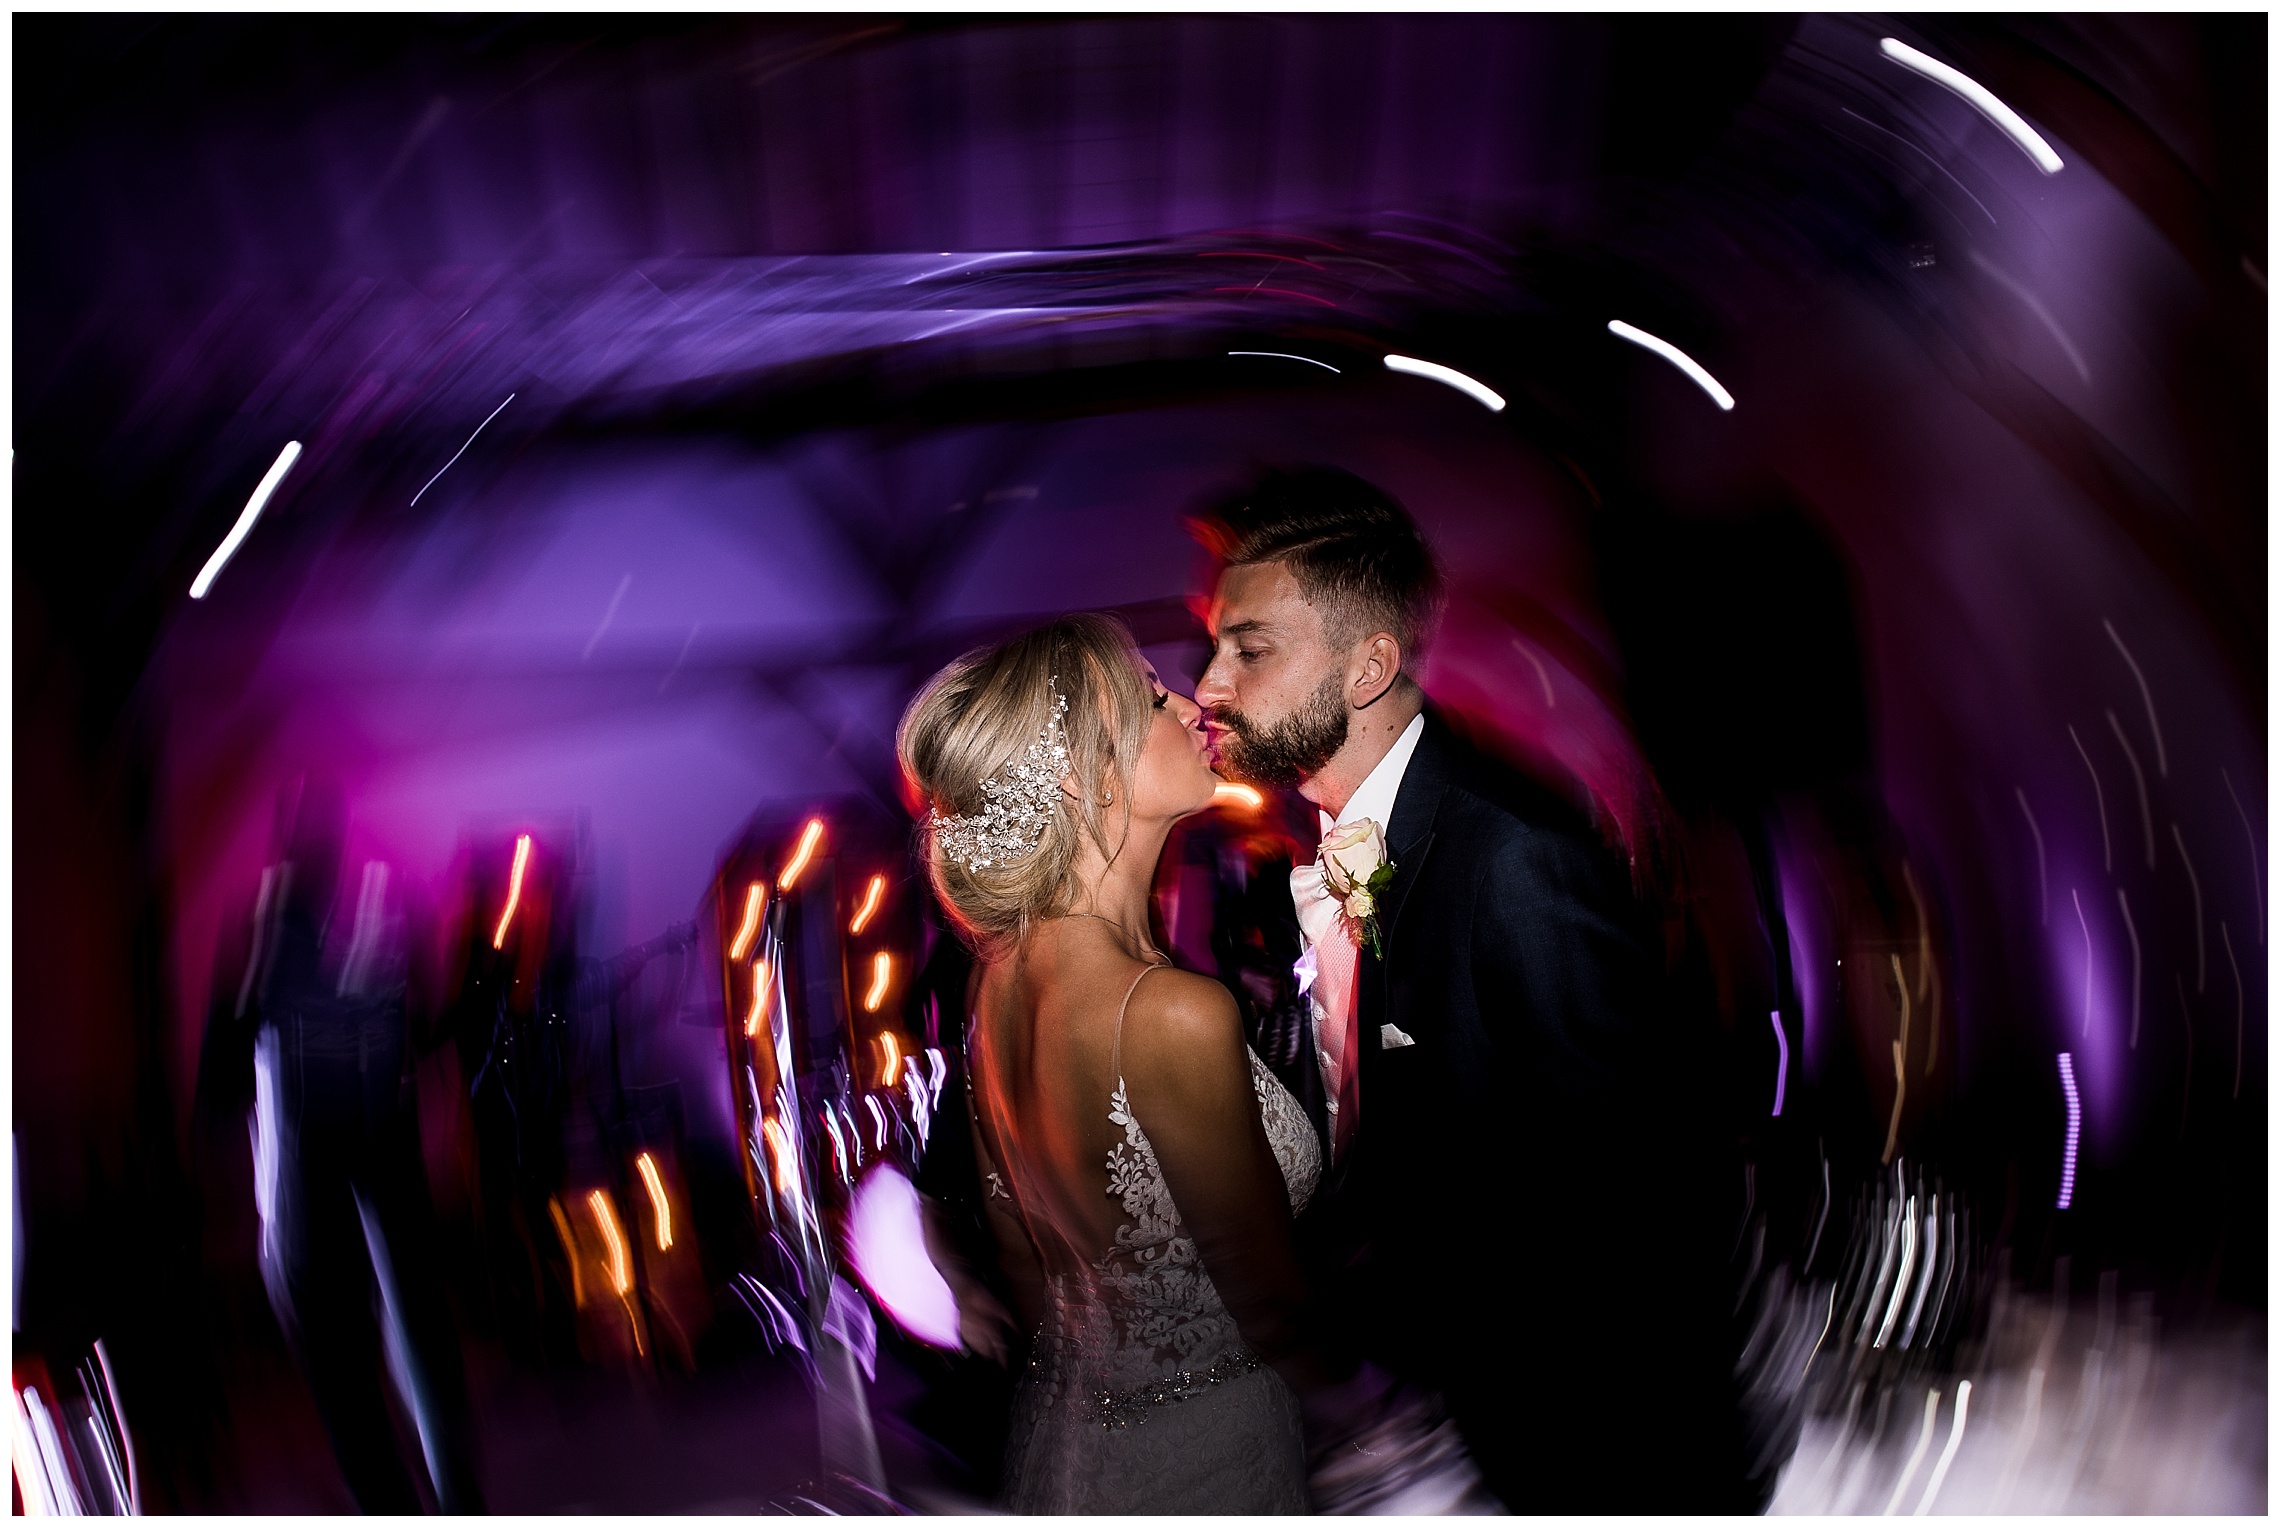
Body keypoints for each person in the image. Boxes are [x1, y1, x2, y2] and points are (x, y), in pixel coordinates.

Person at [1191, 467, 1753, 1513]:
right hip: (1480, 1425)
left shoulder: (1510, 856)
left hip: (1608, 1443)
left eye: (1249, 648)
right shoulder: (1315, 861)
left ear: (1369, 665)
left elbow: (1638, 1194)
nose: (1212, 682)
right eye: (1219, 645)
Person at [897, 614, 1326, 1513]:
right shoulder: (1171, 1014)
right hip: (1214, 1458)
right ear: (1090, 777)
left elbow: (1028, 1274)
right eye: (1149, 697)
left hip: (1067, 1440)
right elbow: (1280, 1313)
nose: (1189, 699)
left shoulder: (998, 987)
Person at [199, 774, 487, 1513]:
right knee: (414, 1328)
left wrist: (228, 1176)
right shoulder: (385, 910)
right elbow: (431, 1030)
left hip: (313, 1156)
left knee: (340, 1347)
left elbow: (222, 1070)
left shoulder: (263, 928)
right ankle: (456, 1497)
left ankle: (397, 1502)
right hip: (380, 1143)